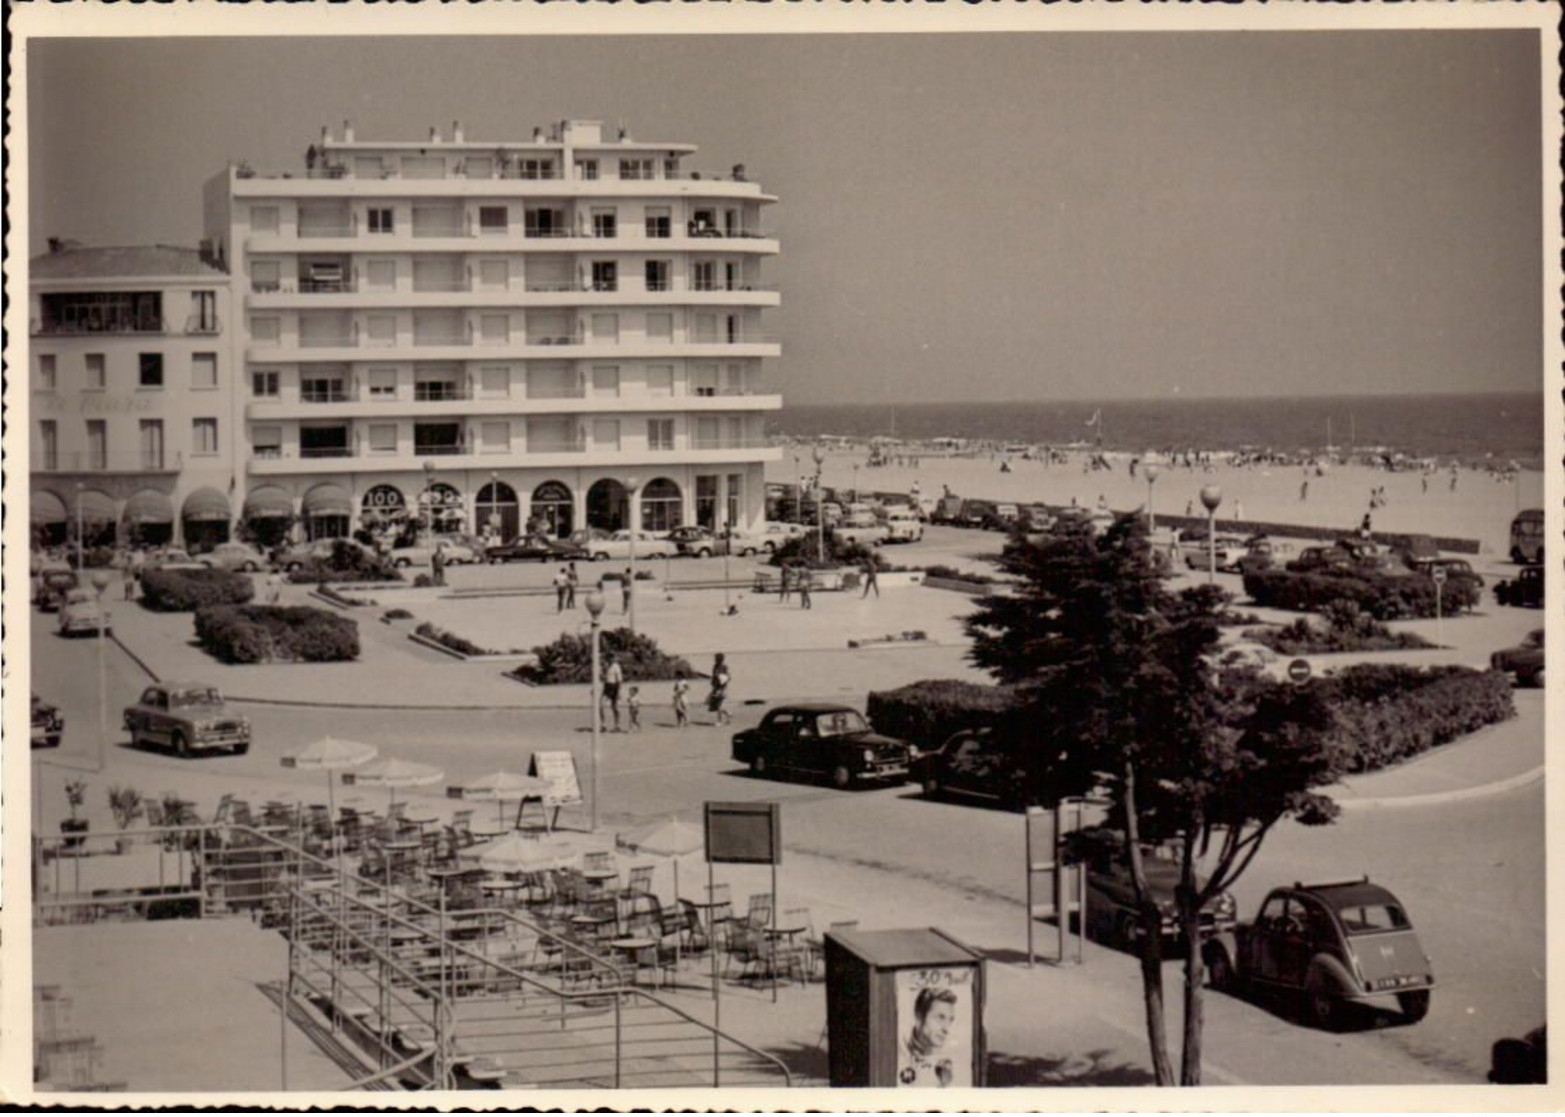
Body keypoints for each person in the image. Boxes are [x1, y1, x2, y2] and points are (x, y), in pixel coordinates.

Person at [899, 987, 959, 1087]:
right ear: (919, 1017)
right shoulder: (898, 1054)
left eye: (950, 1020)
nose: (946, 1029)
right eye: (940, 1017)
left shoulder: (949, 1062)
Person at [708, 653, 731, 726]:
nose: (715, 660)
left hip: (721, 688)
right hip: (716, 687)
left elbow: (728, 677)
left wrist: (722, 687)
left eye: (716, 658)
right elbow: (714, 677)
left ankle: (719, 721)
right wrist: (713, 683)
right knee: (715, 706)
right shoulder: (715, 667)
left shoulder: (724, 667)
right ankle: (728, 714)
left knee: (718, 706)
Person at [602, 653, 624, 732]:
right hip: (607, 686)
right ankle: (603, 725)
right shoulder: (606, 666)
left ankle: (617, 725)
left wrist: (619, 692)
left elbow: (619, 680)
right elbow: (604, 678)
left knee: (614, 707)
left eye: (612, 658)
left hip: (614, 686)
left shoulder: (616, 666)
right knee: (601, 705)